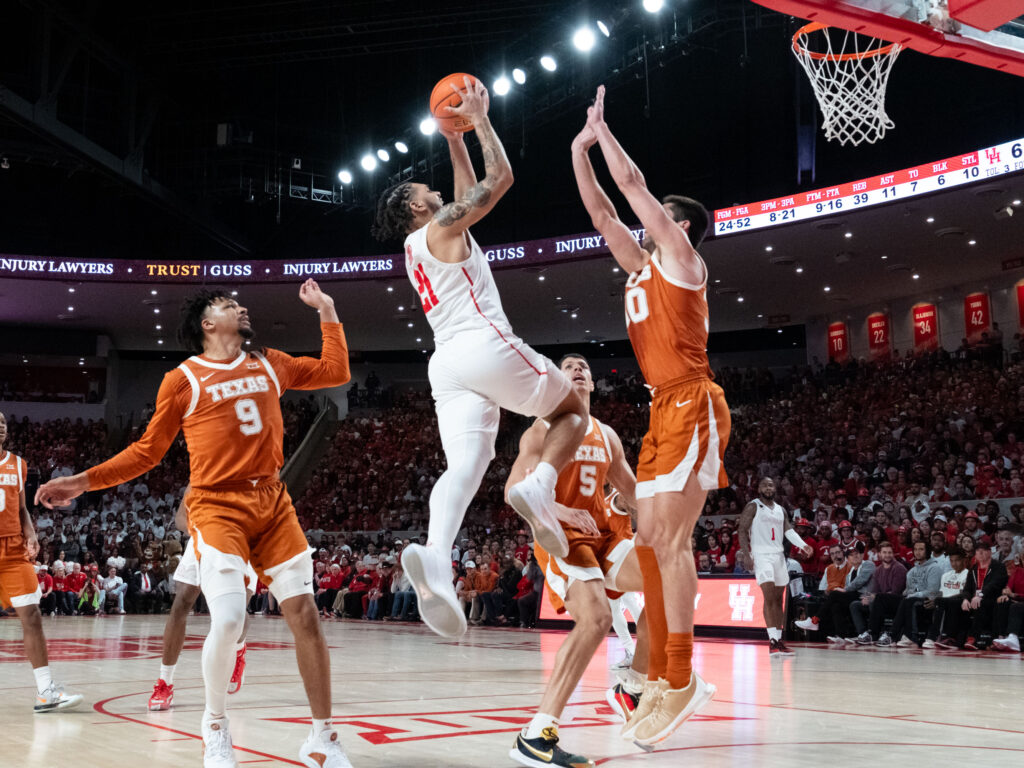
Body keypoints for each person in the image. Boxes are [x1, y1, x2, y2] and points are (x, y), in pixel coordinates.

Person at [36, 281, 352, 768]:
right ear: (208, 325)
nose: (240, 307)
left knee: (306, 616)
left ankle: (322, 738)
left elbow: (336, 370)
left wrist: (327, 310)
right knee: (228, 618)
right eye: (228, 305)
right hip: (216, 505)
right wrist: (85, 481)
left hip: (272, 500)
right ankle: (215, 726)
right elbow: (147, 452)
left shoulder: (270, 360)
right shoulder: (183, 379)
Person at [370, 76, 586, 640]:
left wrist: (453, 136)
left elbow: (465, 190)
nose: (437, 193)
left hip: (446, 363)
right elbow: (500, 180)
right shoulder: (440, 227)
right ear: (419, 206)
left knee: (465, 467)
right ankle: (538, 484)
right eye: (427, 191)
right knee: (573, 412)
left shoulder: (417, 245)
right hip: (482, 344)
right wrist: (482, 118)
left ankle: (436, 555)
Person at [571, 84, 728, 746]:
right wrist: (579, 151)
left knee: (669, 545)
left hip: (693, 399)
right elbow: (606, 214)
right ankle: (661, 679)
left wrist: (605, 133)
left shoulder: (685, 262)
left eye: (660, 215)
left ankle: (681, 677)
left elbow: (629, 186)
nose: (646, 220)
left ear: (680, 226)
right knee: (648, 550)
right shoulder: (640, 270)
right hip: (661, 408)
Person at [505, 354, 648, 767]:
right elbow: (514, 489)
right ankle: (536, 734)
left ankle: (631, 687)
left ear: (594, 383)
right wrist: (561, 511)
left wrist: (668, 522)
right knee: (597, 619)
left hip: (605, 535)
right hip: (563, 537)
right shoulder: (542, 428)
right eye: (568, 367)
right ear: (557, 381)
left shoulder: (607, 434)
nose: (578, 369)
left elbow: (634, 494)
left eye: (584, 365)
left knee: (666, 575)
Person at [0, 411, 83, 712]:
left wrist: (31, 534)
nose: (0, 427)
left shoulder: (18, 465)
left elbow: (21, 508)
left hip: (12, 550)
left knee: (32, 616)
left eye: (3, 423)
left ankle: (45, 691)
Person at [149, 493, 254, 712]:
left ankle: (238, 648)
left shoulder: (255, 465)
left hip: (242, 539)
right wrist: (199, 526)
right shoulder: (205, 466)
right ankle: (164, 683)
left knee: (235, 613)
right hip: (204, 537)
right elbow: (180, 517)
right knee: (180, 604)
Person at [738, 477, 813, 656]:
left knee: (779, 599)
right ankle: (772, 640)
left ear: (775, 488)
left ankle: (778, 640)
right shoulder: (753, 506)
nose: (768, 488)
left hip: (778, 556)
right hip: (762, 556)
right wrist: (746, 554)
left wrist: (803, 545)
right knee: (769, 596)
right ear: (759, 488)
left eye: (770, 485)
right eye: (764, 485)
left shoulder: (780, 510)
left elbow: (788, 530)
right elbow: (742, 529)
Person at [877, 540, 941, 647]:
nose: (918, 552)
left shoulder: (934, 568)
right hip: (910, 598)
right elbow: (907, 590)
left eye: (921, 549)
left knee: (908, 600)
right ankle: (871, 633)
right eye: (915, 549)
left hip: (927, 601)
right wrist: (912, 593)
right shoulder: (911, 571)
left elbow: (932, 592)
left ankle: (898, 636)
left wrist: (915, 594)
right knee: (881, 597)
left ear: (927, 551)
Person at [606, 490, 644, 670]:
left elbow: (640, 511)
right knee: (616, 608)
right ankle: (632, 652)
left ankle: (649, 647)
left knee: (629, 604)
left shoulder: (618, 497)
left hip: (624, 559)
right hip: (609, 563)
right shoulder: (594, 500)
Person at [850, 541, 907, 644]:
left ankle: (873, 633)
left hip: (897, 602)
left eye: (889, 552)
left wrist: (874, 597)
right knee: (855, 605)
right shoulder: (877, 570)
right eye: (884, 552)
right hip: (880, 600)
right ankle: (863, 633)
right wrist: (866, 597)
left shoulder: (899, 568)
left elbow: (895, 592)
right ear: (880, 554)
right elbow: (873, 590)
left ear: (893, 554)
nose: (887, 555)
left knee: (877, 599)